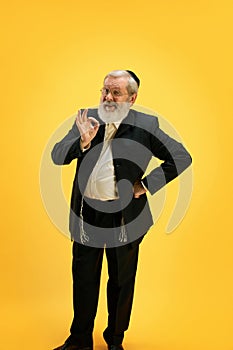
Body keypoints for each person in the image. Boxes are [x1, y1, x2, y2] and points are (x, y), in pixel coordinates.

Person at [51, 70, 192, 350]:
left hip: (126, 218)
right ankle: (79, 340)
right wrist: (82, 142)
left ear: (132, 98)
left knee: (121, 282)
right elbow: (57, 156)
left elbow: (181, 156)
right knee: (84, 280)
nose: (108, 97)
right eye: (104, 90)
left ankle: (115, 341)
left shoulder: (146, 125)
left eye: (116, 92)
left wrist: (147, 184)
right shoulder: (86, 117)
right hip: (86, 216)